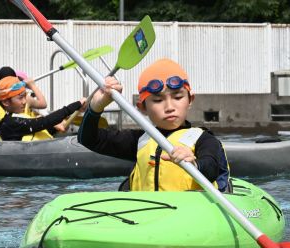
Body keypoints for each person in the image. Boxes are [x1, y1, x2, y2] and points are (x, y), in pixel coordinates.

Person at [78, 58, 230, 192]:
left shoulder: (203, 139)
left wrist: (195, 163)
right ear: (142, 107)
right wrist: (95, 108)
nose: (169, 107)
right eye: (158, 100)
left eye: (178, 97)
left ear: (190, 100)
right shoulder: (140, 140)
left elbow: (212, 168)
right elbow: (88, 139)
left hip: (187, 214)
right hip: (148, 214)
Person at [0, 76, 86, 141]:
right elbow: (43, 122)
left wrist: (54, 127)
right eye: (20, 98)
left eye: (24, 97)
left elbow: (38, 127)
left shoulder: (17, 117)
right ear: (6, 102)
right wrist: (76, 104)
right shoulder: (9, 124)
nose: (24, 101)